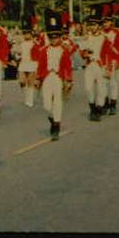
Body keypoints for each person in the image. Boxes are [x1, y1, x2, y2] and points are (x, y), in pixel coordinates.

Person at [32, 9, 75, 140]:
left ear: (60, 36)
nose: (54, 39)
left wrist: (68, 80)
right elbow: (40, 65)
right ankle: (52, 118)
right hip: (46, 78)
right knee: (46, 105)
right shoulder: (44, 50)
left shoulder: (64, 50)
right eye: (51, 37)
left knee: (57, 101)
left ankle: (56, 125)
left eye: (56, 36)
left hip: (58, 78)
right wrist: (38, 78)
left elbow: (68, 66)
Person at [79, 4, 115, 122]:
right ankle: (92, 108)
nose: (91, 27)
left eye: (94, 24)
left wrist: (108, 69)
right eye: (90, 24)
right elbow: (82, 51)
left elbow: (108, 55)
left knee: (101, 89)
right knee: (88, 88)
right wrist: (84, 54)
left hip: (100, 66)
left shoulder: (104, 38)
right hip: (90, 65)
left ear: (99, 25)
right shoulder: (86, 37)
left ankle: (98, 110)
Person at [17, 17, 39, 108]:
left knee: (30, 82)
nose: (26, 35)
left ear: (31, 34)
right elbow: (18, 53)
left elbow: (38, 55)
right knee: (21, 81)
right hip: (23, 64)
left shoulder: (34, 43)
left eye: (27, 33)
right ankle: (26, 95)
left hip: (31, 64)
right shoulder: (21, 43)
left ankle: (30, 99)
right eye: (24, 33)